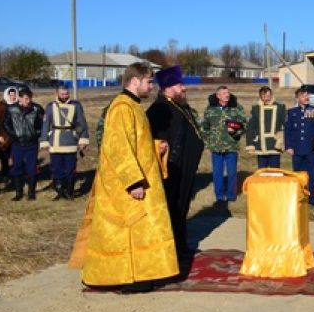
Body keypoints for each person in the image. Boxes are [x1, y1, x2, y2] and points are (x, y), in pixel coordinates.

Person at [69, 61, 178, 291]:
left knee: (143, 229)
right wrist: (133, 181)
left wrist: (155, 146)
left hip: (141, 178)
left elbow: (135, 143)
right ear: (135, 81)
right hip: (127, 183)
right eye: (149, 82)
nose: (151, 86)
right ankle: (127, 279)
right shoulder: (121, 107)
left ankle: (143, 273)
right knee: (127, 229)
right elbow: (118, 148)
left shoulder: (133, 105)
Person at [146, 65, 205, 260]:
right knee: (171, 207)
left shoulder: (180, 106)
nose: (184, 88)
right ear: (168, 88)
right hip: (170, 170)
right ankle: (170, 249)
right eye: (180, 85)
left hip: (183, 168)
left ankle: (180, 244)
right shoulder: (159, 109)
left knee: (181, 207)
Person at [39, 85, 89, 200]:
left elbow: (82, 123)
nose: (64, 96)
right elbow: (46, 125)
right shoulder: (50, 106)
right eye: (62, 94)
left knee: (70, 169)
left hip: (71, 142)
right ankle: (60, 191)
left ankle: (70, 192)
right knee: (56, 169)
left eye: (66, 93)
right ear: (57, 93)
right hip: (55, 143)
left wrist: (83, 139)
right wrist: (44, 141)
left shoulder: (76, 105)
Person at [202, 85, 247, 201]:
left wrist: (236, 130)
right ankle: (219, 196)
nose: (227, 95)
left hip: (231, 146)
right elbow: (205, 127)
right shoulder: (210, 109)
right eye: (223, 93)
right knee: (217, 173)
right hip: (216, 147)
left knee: (232, 172)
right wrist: (209, 142)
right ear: (218, 96)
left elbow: (245, 125)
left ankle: (231, 195)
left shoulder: (237, 108)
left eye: (228, 92)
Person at [285, 86, 314, 206]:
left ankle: (311, 199)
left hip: (311, 149)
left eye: (307, 95)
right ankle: (300, 197)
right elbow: (288, 131)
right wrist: (288, 146)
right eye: (303, 96)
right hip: (296, 150)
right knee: (298, 175)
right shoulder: (291, 113)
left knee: (311, 176)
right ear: (297, 98)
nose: (306, 97)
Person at [4, 87, 45, 201]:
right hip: (17, 144)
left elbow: (42, 125)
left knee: (31, 168)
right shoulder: (11, 109)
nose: (28, 101)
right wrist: (14, 135)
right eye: (26, 98)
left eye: (30, 98)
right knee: (17, 167)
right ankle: (18, 193)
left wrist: (35, 134)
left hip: (32, 144)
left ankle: (31, 193)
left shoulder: (37, 109)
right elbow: (6, 124)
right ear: (20, 98)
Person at [245, 86, 286, 169]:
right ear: (260, 97)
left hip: (275, 145)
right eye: (264, 96)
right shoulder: (256, 109)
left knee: (275, 171)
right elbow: (251, 127)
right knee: (262, 171)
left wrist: (282, 139)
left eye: (268, 95)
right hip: (260, 145)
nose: (266, 97)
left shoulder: (280, 107)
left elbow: (286, 125)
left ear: (271, 95)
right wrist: (250, 144)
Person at [0, 86, 19, 188]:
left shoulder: (19, 105)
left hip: (16, 134)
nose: (12, 97)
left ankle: (16, 175)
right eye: (11, 95)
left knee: (16, 156)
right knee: (4, 156)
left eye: (14, 95)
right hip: (3, 134)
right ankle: (4, 175)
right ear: (7, 95)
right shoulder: (1, 105)